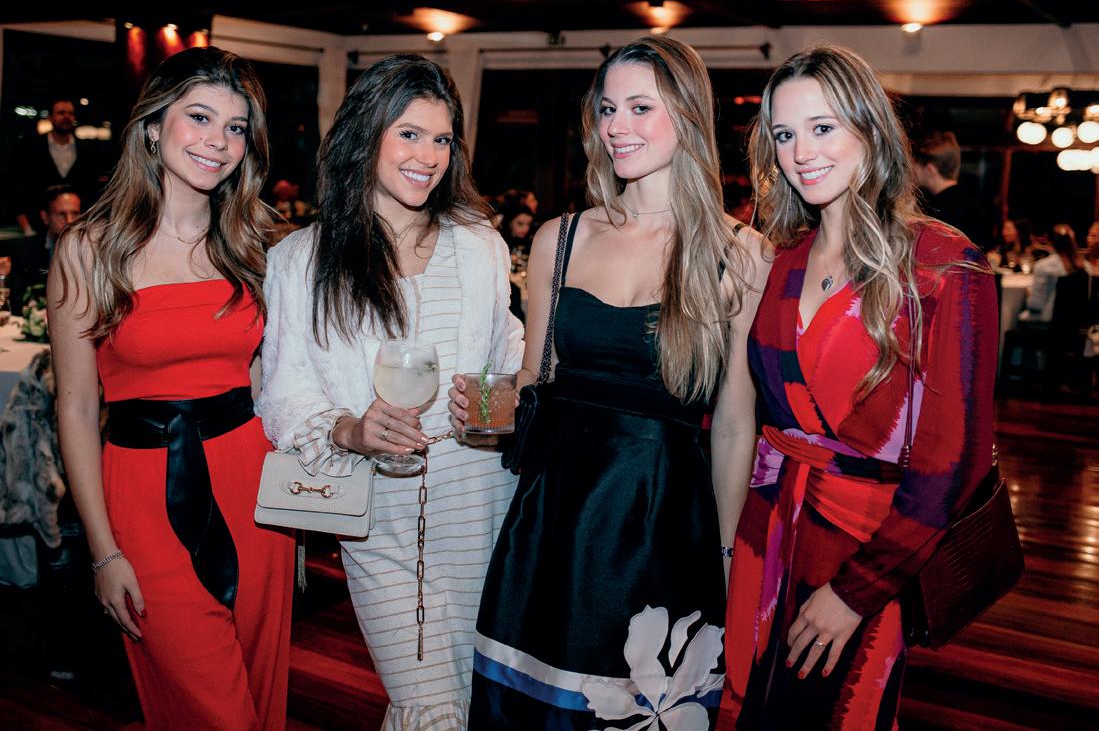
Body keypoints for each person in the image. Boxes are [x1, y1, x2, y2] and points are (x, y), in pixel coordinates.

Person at [450, 36, 767, 729]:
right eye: (607, 108)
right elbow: (534, 381)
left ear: (687, 114)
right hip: (551, 520)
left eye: (640, 107)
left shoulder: (739, 254)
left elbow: (734, 424)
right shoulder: (559, 238)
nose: (617, 126)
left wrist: (721, 553)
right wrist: (477, 407)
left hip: (661, 525)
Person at [726, 45, 997, 729]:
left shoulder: (942, 265)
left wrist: (857, 591)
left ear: (870, 130)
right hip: (766, 531)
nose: (800, 153)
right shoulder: (781, 262)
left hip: (867, 548)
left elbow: (952, 465)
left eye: (822, 127)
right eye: (783, 134)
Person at [257, 54, 523, 731]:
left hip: (482, 500)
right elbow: (284, 392)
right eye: (408, 134)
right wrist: (350, 429)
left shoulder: (480, 246)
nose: (427, 156)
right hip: (378, 513)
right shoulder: (301, 260)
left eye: (441, 139)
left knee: (480, 701)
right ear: (365, 135)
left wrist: (496, 407)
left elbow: (508, 357)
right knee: (426, 702)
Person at [48, 47, 294, 730]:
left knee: (258, 694)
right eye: (199, 117)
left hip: (254, 492)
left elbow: (272, 380)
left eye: (236, 127)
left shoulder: (258, 245)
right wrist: (103, 550)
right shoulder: (90, 249)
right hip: (143, 494)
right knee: (210, 710)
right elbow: (76, 407)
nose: (219, 140)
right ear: (153, 126)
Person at [14, 98, 111, 234]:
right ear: (50, 117)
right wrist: (26, 227)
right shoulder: (31, 147)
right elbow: (14, 187)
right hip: (39, 228)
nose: (66, 117)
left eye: (70, 113)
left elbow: (94, 189)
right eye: (61, 113)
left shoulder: (87, 149)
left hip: (79, 227)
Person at [5, 184, 81, 310]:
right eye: (61, 214)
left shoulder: (92, 251)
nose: (70, 221)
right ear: (45, 217)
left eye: (75, 213)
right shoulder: (24, 250)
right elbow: (17, 301)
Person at [912, 131, 988, 249]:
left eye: (915, 165)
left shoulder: (935, 210)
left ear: (930, 169)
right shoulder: (975, 202)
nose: (912, 172)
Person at [1021, 223, 1084, 323]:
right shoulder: (1085, 266)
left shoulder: (1043, 266)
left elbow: (1035, 305)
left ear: (1049, 241)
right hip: (1076, 320)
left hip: (1047, 320)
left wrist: (1029, 293)